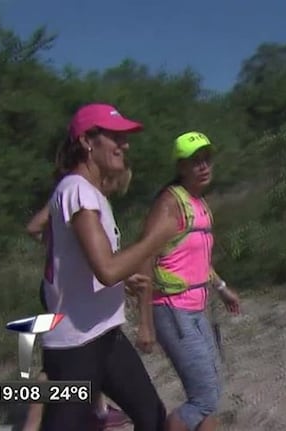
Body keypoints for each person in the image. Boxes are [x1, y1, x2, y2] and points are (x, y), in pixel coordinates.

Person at [38, 102, 179, 431]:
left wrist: (123, 278)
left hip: (104, 334)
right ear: (87, 140)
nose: (124, 145)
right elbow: (106, 268)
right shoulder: (77, 191)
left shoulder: (89, 193)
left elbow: (93, 267)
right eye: (116, 136)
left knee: (152, 417)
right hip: (75, 346)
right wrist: (155, 238)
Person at [139, 131, 240, 431]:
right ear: (181, 166)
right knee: (204, 398)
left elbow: (198, 261)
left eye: (207, 159)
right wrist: (144, 322)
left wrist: (222, 289)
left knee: (211, 392)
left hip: (197, 309)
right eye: (195, 161)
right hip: (172, 309)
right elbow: (144, 256)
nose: (204, 166)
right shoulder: (170, 203)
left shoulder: (199, 203)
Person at [22, 166, 135, 431]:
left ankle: (98, 410)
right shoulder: (75, 194)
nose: (111, 192)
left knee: (74, 357)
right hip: (63, 290)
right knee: (60, 363)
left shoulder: (86, 198)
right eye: (113, 185)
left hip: (68, 288)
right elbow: (34, 227)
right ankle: (36, 421)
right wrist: (63, 246)